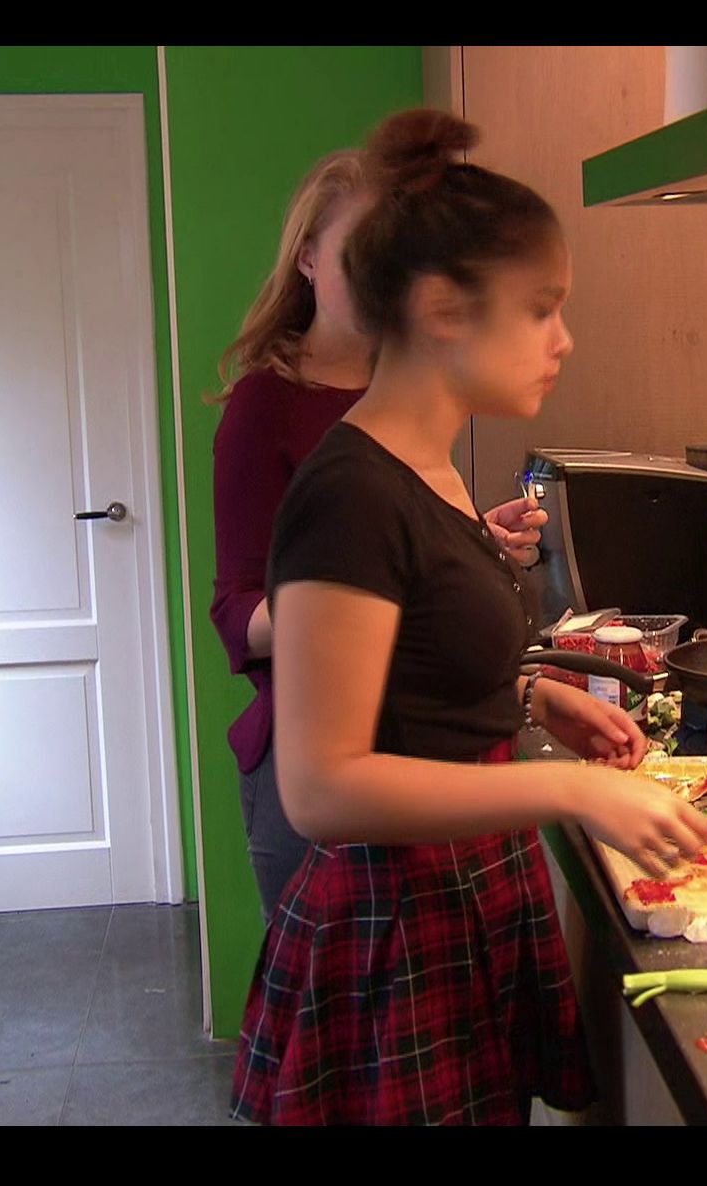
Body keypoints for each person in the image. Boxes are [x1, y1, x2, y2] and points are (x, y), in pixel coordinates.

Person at [229, 109, 707, 1126]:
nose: (563, 339)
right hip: (391, 923)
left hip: (457, 892)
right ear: (445, 309)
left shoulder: (429, 464)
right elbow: (321, 787)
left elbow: (413, 672)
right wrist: (570, 791)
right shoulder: (349, 493)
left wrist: (527, 698)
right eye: (541, 309)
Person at [210, 150, 548, 919]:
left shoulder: (404, 389)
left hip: (412, 752)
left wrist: (463, 546)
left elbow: (400, 554)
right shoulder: (266, 408)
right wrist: (365, 588)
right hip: (314, 759)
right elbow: (235, 608)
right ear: (306, 258)